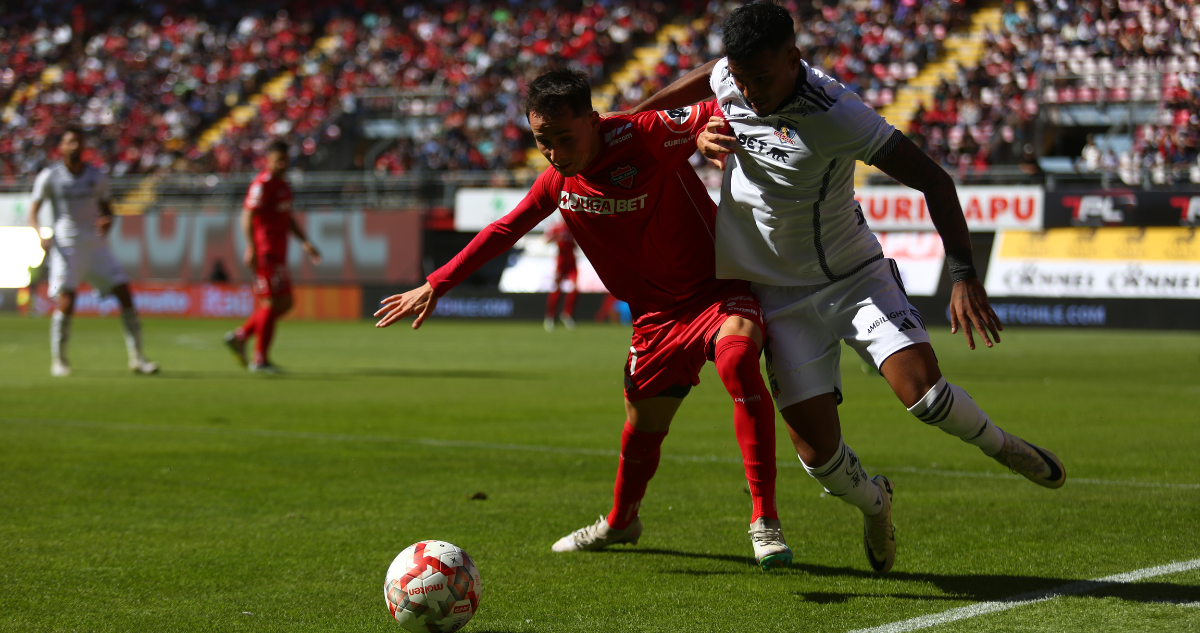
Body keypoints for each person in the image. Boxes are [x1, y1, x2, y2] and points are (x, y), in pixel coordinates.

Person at [621, 1, 1065, 574]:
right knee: (822, 464)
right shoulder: (732, 75)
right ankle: (876, 503)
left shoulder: (838, 112)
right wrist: (642, 120)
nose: (750, 91)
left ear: (794, 58)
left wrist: (963, 277)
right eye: (742, 77)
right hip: (776, 297)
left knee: (926, 398)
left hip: (853, 279)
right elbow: (706, 79)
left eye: (762, 78)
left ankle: (1003, 446)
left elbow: (934, 178)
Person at [375, 69, 791, 570]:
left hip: (715, 291)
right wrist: (435, 282)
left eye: (562, 138)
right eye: (541, 141)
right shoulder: (558, 180)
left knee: (738, 359)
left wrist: (707, 133)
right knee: (641, 430)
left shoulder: (644, 133)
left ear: (593, 122)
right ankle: (621, 522)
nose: (552, 152)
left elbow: (729, 101)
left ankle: (764, 519)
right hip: (654, 320)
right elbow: (506, 228)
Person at [29, 126, 158, 377]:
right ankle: (60, 360)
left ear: (84, 145)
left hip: (95, 244)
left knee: (124, 292)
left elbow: (108, 209)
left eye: (78, 141)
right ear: (62, 147)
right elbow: (33, 210)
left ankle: (138, 358)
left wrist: (108, 221)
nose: (74, 146)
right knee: (67, 300)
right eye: (69, 141)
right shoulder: (50, 176)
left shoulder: (96, 176)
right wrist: (39, 234)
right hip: (67, 245)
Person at [223, 140, 321, 373]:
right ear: (267, 159)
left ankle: (241, 335)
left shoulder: (283, 186)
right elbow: (247, 216)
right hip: (265, 252)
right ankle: (260, 360)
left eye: (285, 160)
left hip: (279, 253)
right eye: (278, 160)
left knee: (285, 302)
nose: (282, 164)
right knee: (271, 302)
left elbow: (287, 218)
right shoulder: (262, 184)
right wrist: (251, 247)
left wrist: (305, 242)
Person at [543, 219, 578, 331]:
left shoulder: (573, 228)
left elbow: (576, 245)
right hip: (561, 262)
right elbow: (546, 240)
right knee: (556, 289)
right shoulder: (557, 228)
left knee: (574, 288)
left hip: (571, 261)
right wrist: (555, 237)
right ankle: (550, 316)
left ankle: (566, 314)